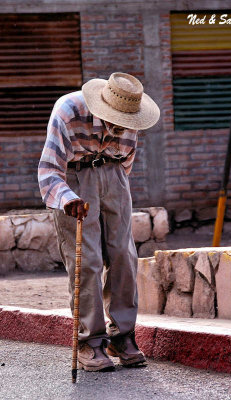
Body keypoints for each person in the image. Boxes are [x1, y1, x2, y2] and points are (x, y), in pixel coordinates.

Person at [38, 72, 160, 372]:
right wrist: (69, 199)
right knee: (88, 261)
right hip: (74, 178)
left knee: (124, 256)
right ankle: (89, 341)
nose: (123, 126)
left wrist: (111, 187)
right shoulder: (68, 111)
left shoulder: (132, 115)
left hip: (115, 177)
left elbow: (126, 162)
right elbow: (49, 169)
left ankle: (123, 336)